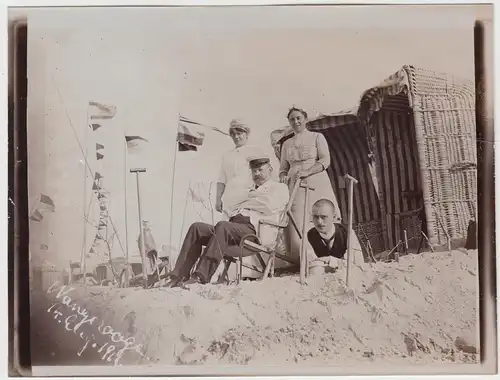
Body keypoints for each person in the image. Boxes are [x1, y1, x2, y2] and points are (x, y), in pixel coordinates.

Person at [165, 154, 289, 288]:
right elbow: (232, 206)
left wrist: (247, 201)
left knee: (223, 226)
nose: (257, 173)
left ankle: (201, 276)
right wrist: (251, 199)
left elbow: (268, 205)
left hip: (254, 232)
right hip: (233, 230)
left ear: (270, 169)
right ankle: (178, 275)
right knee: (197, 228)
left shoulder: (279, 188)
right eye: (254, 171)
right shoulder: (251, 191)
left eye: (260, 170)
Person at [279, 106, 341, 261]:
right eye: (292, 119)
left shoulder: (316, 137)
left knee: (321, 215)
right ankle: (304, 259)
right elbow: (282, 168)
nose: (296, 121)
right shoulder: (286, 144)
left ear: (305, 119)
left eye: (298, 118)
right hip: (295, 185)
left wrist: (308, 171)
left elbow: (325, 160)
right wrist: (283, 177)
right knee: (298, 219)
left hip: (316, 181)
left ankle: (330, 254)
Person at [215, 119, 256, 218]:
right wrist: (218, 199)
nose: (236, 137)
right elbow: (222, 179)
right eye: (233, 134)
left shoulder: (254, 152)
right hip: (229, 199)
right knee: (224, 228)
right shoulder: (227, 155)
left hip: (246, 199)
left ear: (246, 134)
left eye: (239, 133)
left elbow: (261, 176)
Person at [308, 199, 364, 266]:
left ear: (334, 217)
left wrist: (329, 260)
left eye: (324, 217)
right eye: (315, 217)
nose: (319, 222)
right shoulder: (308, 236)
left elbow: (357, 263)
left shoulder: (347, 233)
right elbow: (310, 264)